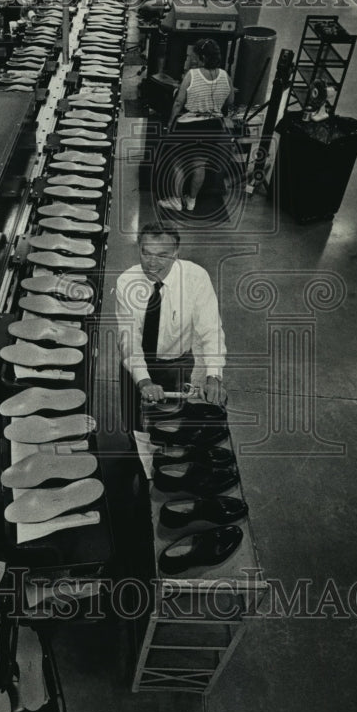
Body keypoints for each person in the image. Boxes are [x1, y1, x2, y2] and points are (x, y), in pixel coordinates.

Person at [115, 223, 227, 436]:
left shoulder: (196, 278)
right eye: (146, 253)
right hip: (135, 363)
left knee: (168, 424)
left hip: (175, 365)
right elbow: (129, 339)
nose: (152, 263)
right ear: (138, 247)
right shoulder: (126, 282)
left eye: (162, 255)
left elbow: (211, 329)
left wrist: (214, 376)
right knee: (133, 423)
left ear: (176, 253)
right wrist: (144, 380)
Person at [157, 38, 233, 212]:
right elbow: (230, 101)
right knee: (199, 164)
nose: (193, 59)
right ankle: (191, 201)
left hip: (190, 126)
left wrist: (170, 123)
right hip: (214, 126)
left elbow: (178, 103)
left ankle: (176, 200)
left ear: (203, 58)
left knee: (178, 162)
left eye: (195, 56)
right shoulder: (225, 76)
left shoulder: (192, 75)